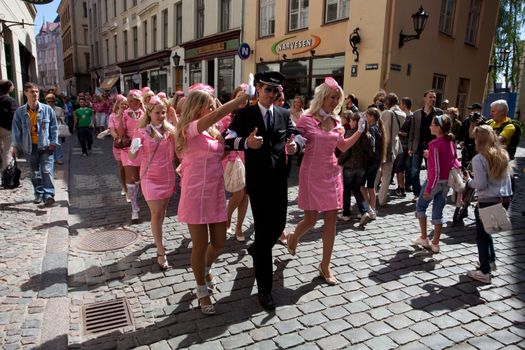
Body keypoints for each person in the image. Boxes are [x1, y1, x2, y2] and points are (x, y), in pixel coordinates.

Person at [224, 71, 304, 310]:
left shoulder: (282, 113)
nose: (272, 94)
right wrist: (245, 143)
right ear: (258, 89)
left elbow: (298, 135)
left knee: (278, 226)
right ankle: (265, 290)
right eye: (267, 89)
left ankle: (257, 250)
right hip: (257, 183)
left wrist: (294, 146)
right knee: (262, 232)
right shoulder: (246, 113)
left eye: (276, 91)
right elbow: (227, 138)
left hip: (280, 181)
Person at [176, 86, 250, 315]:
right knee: (199, 245)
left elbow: (222, 154)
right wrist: (238, 101)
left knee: (218, 242)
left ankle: (205, 268)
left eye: (213, 105)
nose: (213, 108)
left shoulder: (213, 131)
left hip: (215, 192)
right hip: (195, 193)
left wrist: (245, 143)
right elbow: (217, 116)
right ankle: (201, 290)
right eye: (209, 104)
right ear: (197, 107)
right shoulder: (189, 129)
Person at [286, 77, 365, 285]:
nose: (334, 101)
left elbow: (344, 146)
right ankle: (293, 237)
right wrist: (292, 147)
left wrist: (359, 132)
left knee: (331, 220)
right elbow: (295, 143)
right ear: (322, 97)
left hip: (331, 173)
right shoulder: (307, 119)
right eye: (332, 97)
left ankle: (325, 265)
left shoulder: (337, 121)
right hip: (311, 173)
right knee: (310, 220)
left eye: (337, 98)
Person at [129, 95, 178, 270]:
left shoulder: (169, 131)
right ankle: (160, 250)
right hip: (150, 177)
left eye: (163, 112)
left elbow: (180, 145)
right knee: (156, 212)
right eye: (158, 112)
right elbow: (132, 156)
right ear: (149, 113)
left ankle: (158, 237)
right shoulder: (140, 132)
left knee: (162, 211)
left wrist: (175, 118)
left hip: (167, 176)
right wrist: (135, 148)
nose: (161, 116)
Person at [464, 125, 513, 283]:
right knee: (488, 231)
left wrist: (469, 181)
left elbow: (481, 184)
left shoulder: (479, 158)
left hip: (487, 199)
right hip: (504, 198)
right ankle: (490, 261)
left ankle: (484, 271)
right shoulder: (503, 154)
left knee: (482, 236)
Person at [410, 114, 460, 253]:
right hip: (446, 182)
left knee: (420, 207)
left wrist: (429, 188)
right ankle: (436, 243)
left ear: (439, 128)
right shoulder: (451, 142)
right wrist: (430, 156)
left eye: (433, 124)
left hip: (435, 181)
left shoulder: (434, 144)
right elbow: (453, 161)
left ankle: (424, 237)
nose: (430, 126)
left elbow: (436, 169)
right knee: (438, 211)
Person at [11, 82, 58, 206]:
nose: (35, 94)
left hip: (46, 145)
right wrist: (15, 146)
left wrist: (53, 142)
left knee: (47, 170)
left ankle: (48, 195)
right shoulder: (20, 112)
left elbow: (54, 127)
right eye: (32, 91)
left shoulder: (47, 109)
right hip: (30, 147)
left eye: (37, 91)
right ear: (25, 93)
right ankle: (38, 193)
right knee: (35, 172)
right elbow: (16, 130)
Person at [222, 84, 250, 242]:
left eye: (245, 96)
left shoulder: (251, 115)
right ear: (234, 98)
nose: (242, 99)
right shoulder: (226, 117)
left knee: (245, 194)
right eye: (239, 96)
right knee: (238, 193)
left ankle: (239, 226)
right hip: (232, 158)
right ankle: (227, 218)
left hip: (248, 157)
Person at [408, 90, 443, 202]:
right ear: (425, 98)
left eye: (434, 97)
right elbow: (412, 131)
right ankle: (417, 193)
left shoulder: (439, 113)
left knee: (432, 171)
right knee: (414, 171)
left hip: (433, 147)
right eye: (430, 97)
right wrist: (410, 147)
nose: (433, 99)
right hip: (417, 145)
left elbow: (443, 131)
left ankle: (430, 192)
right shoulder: (417, 113)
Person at [338, 111, 373, 224]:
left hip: (349, 166)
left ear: (356, 122)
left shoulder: (350, 133)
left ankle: (346, 214)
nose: (350, 122)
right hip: (361, 167)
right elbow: (370, 153)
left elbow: (346, 151)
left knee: (347, 190)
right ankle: (364, 212)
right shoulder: (367, 135)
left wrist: (339, 161)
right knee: (357, 189)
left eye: (352, 120)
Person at [120, 89, 145, 223]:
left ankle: (139, 192)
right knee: (130, 177)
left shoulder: (145, 113)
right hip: (128, 148)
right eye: (130, 101)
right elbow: (120, 133)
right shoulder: (124, 114)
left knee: (140, 177)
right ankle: (134, 209)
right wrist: (119, 116)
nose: (132, 103)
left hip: (143, 148)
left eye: (135, 100)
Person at [377, 93, 406, 206]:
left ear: (388, 102)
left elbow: (384, 133)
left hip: (384, 146)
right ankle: (382, 199)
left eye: (384, 102)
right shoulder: (402, 114)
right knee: (387, 175)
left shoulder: (387, 113)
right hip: (394, 146)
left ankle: (372, 197)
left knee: (377, 173)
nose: (383, 104)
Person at [360, 107, 386, 221]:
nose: (365, 117)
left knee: (361, 186)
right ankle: (373, 210)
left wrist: (367, 157)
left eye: (367, 115)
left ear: (371, 117)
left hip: (370, 161)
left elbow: (373, 146)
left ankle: (368, 209)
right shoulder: (379, 128)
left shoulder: (371, 129)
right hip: (376, 161)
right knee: (370, 186)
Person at [108, 94, 129, 197]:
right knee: (121, 167)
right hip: (119, 145)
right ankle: (124, 187)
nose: (124, 106)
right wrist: (117, 138)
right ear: (118, 105)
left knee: (129, 167)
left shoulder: (130, 115)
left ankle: (132, 186)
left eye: (126, 104)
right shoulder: (112, 116)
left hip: (129, 145)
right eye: (122, 104)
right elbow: (111, 130)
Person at [0, 80, 18, 171]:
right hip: (7, 129)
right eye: (13, 86)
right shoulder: (10, 100)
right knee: (7, 153)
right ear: (9, 88)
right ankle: (8, 179)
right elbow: (15, 116)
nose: (14, 87)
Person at [45, 94, 65, 165]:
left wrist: (58, 117)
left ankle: (59, 158)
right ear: (46, 102)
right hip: (47, 128)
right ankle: (51, 159)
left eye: (52, 101)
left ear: (54, 101)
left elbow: (63, 118)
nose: (50, 103)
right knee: (49, 144)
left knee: (58, 144)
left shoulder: (59, 109)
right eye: (48, 101)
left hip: (57, 128)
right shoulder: (44, 109)